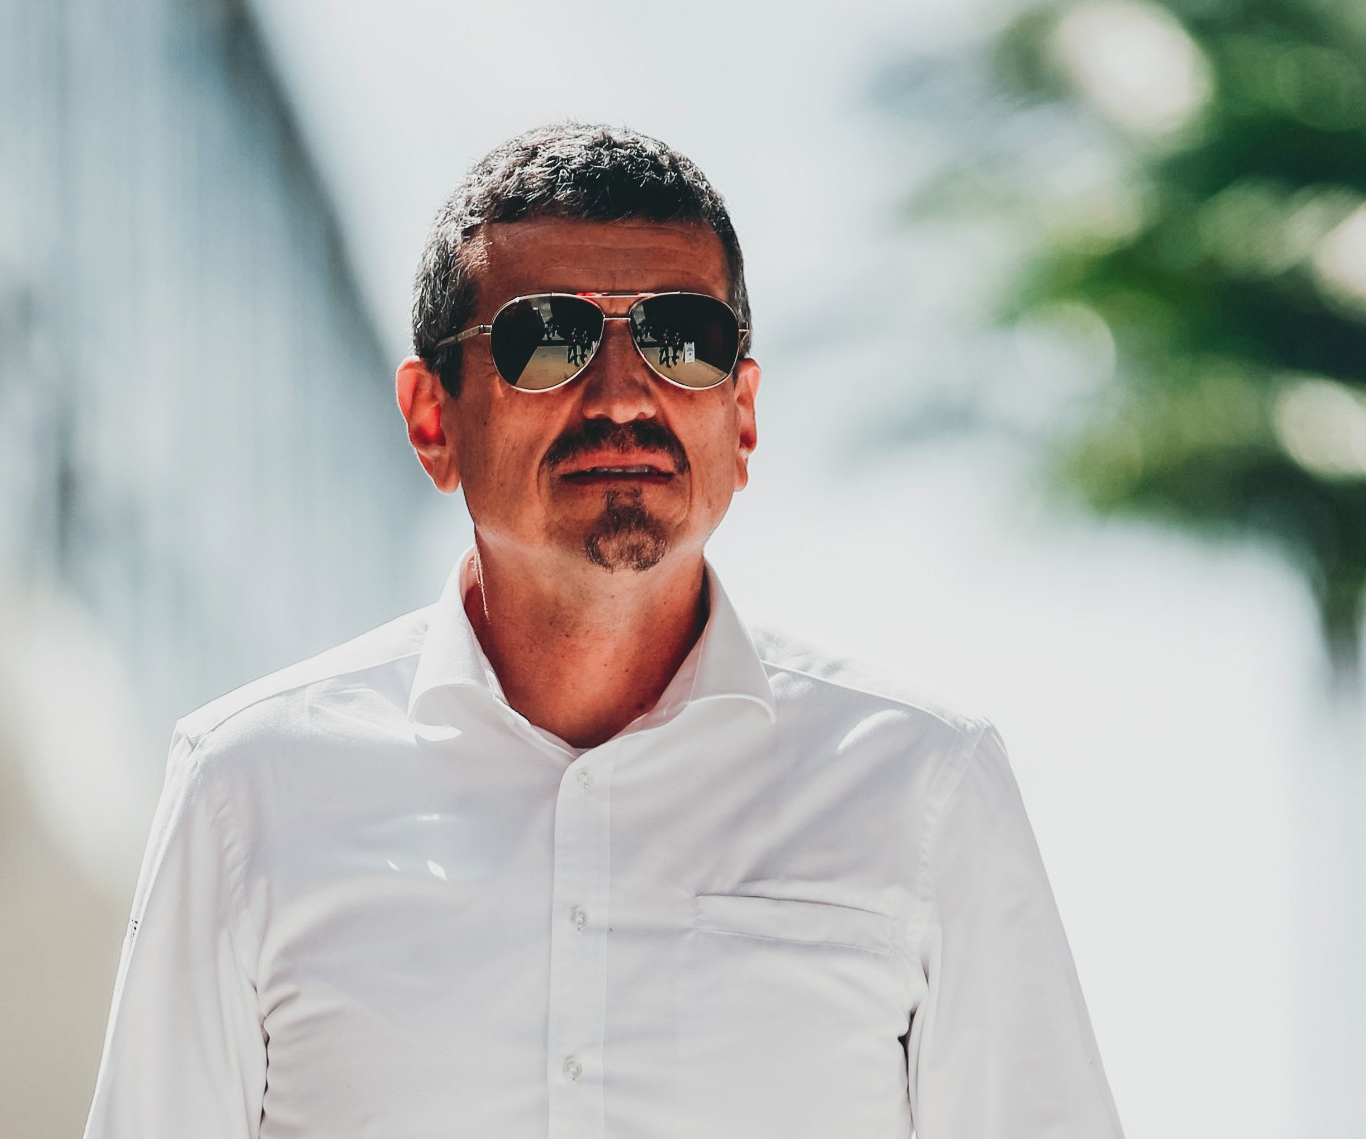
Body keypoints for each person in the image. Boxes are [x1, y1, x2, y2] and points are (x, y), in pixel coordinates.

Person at [82, 122, 1124, 1139]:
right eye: (547, 339)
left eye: (684, 340)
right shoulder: (248, 789)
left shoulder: (923, 786)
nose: (624, 396)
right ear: (432, 417)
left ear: (743, 413)